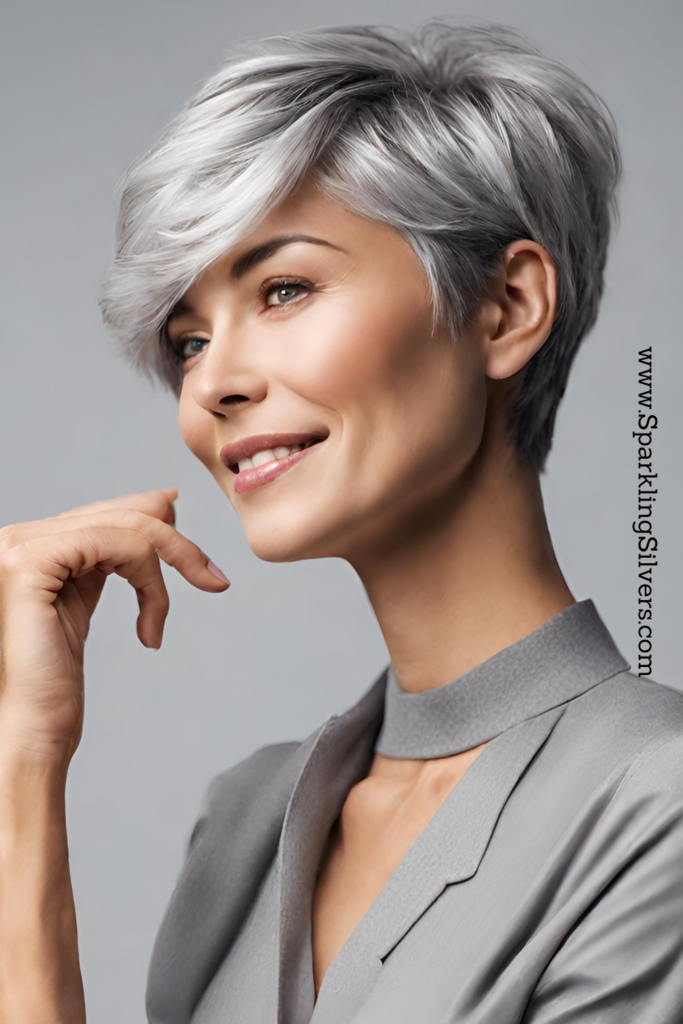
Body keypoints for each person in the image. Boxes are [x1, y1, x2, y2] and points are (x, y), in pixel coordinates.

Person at [1, 16, 681, 1024]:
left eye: (283, 288)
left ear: (504, 307)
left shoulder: (651, 805)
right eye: (186, 342)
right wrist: (25, 761)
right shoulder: (245, 824)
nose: (214, 384)